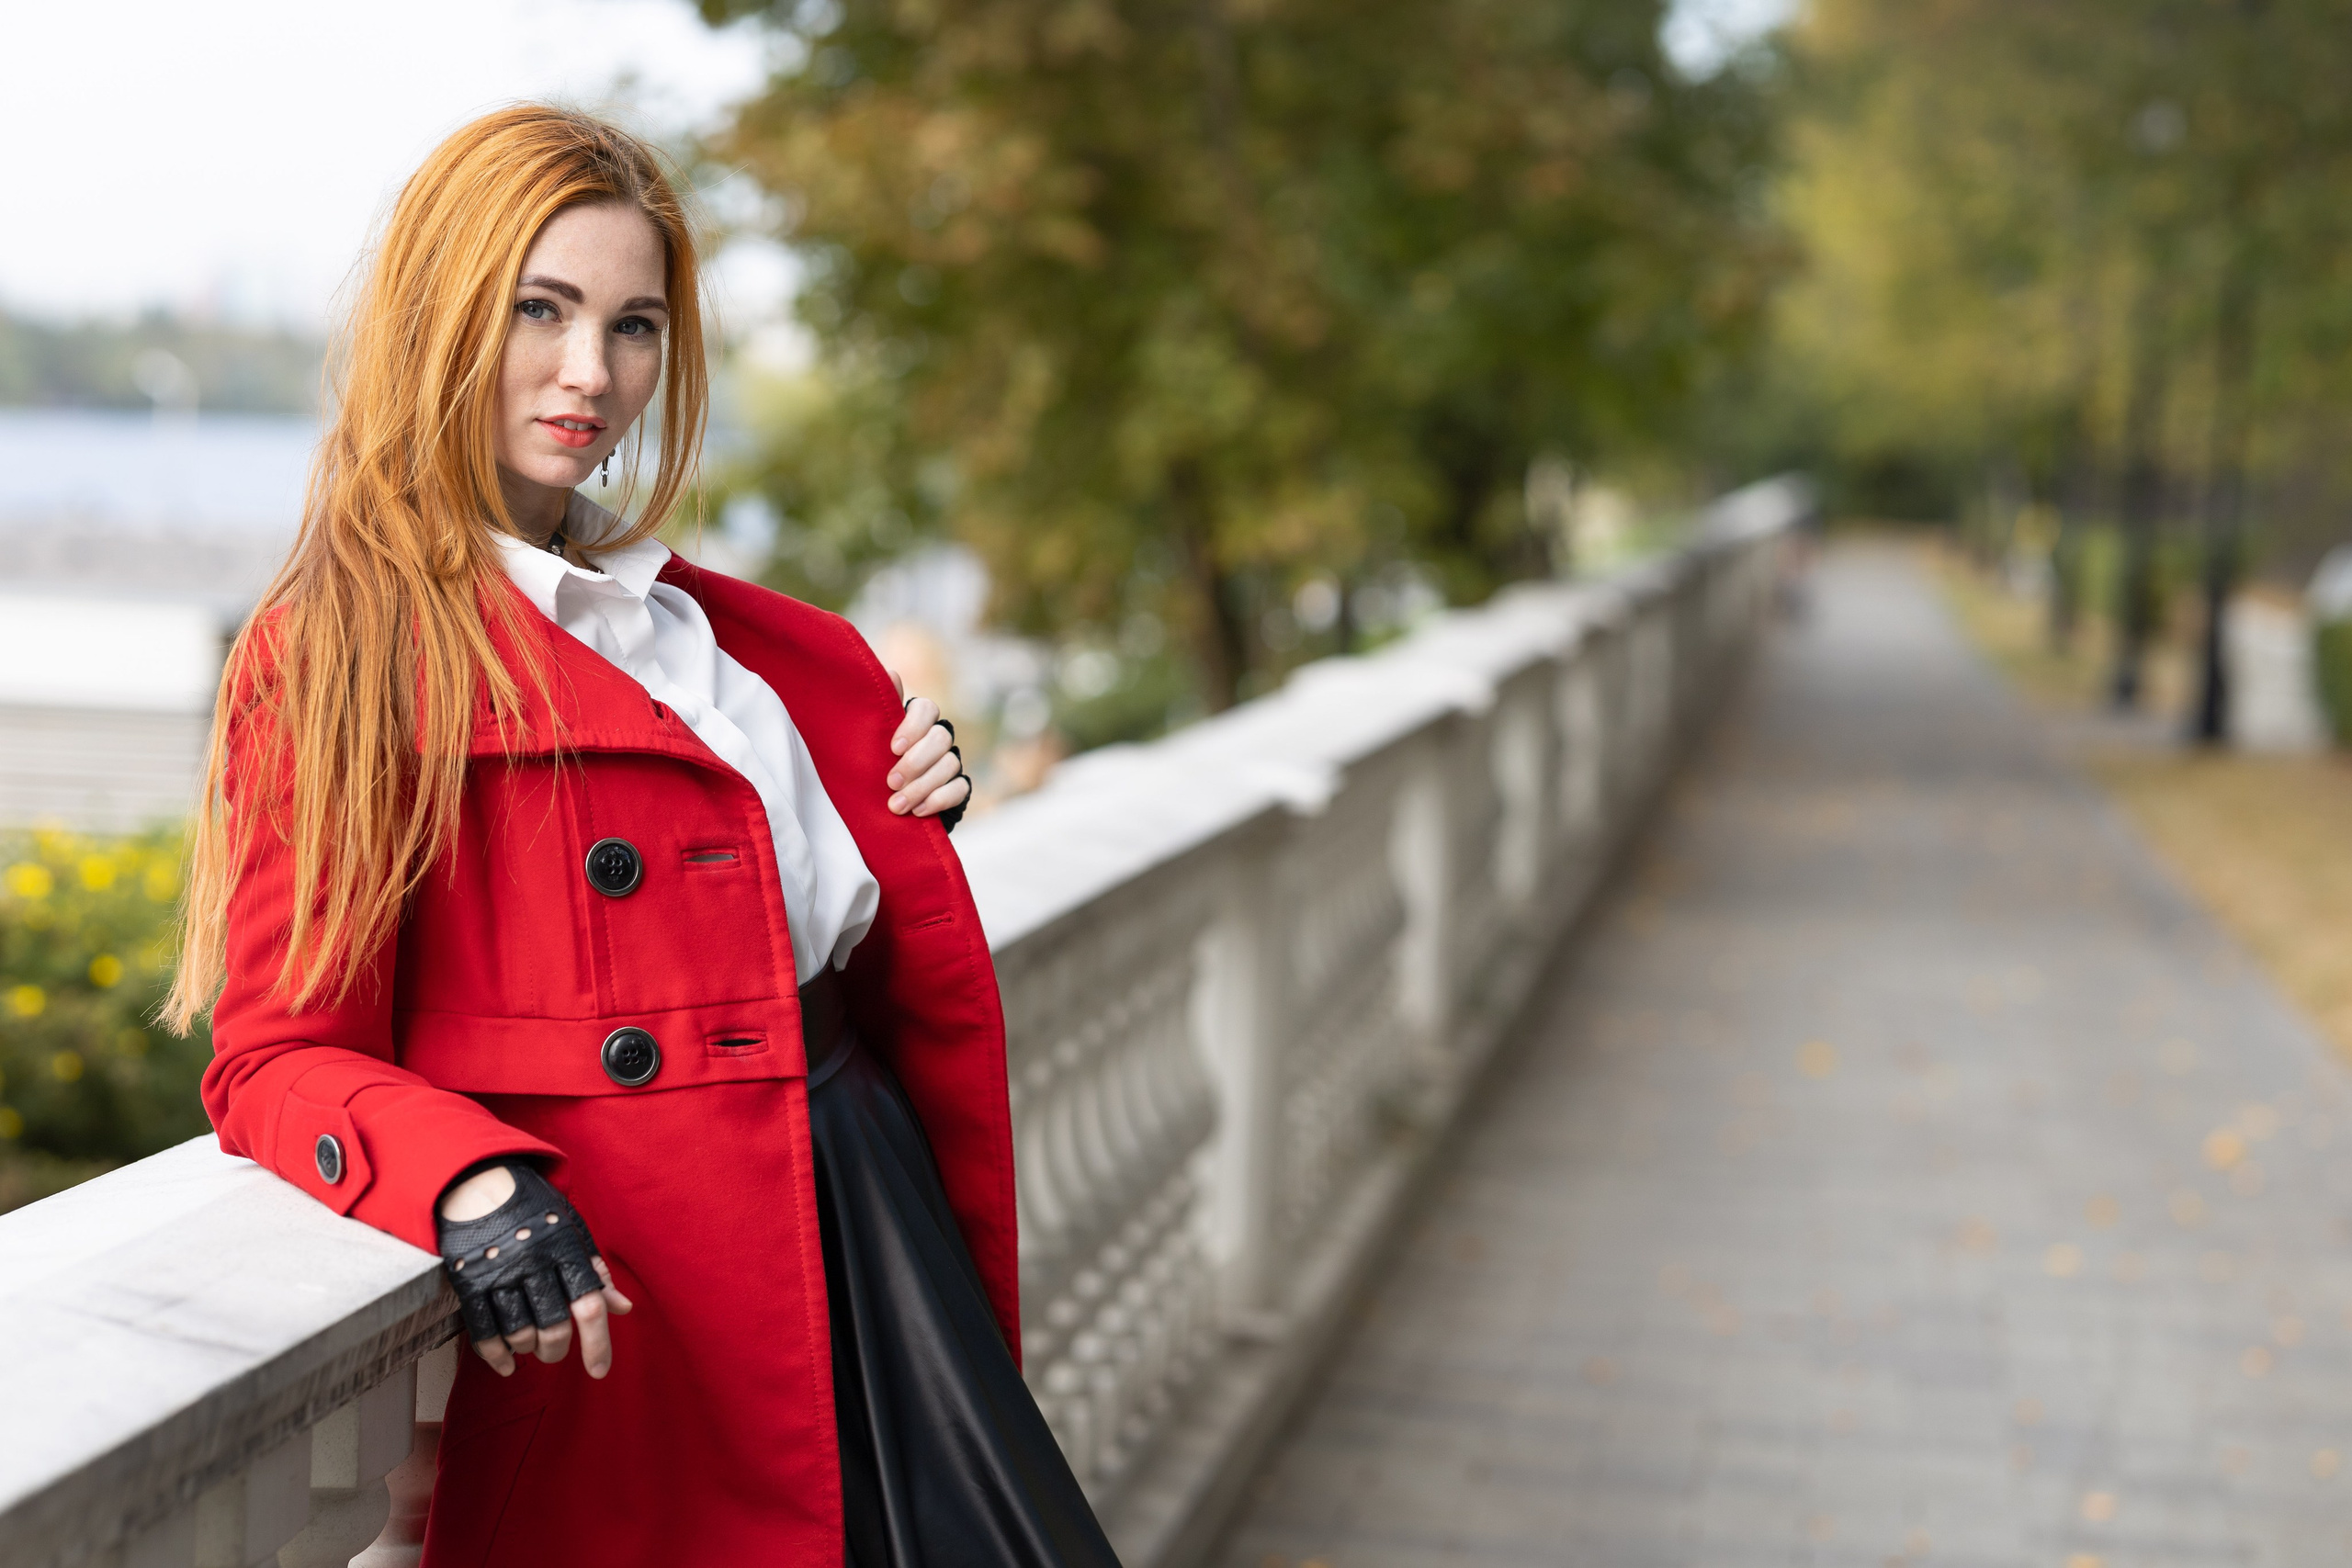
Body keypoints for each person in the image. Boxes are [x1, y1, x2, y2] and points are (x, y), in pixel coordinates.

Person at [168, 106, 1121, 1568]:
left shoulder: (729, 642)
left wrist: (881, 811)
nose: (589, 374)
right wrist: (467, 1178)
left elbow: (795, 927)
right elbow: (276, 1051)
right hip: (646, 1329)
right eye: (537, 311)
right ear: (440, 316)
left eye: (634, 326)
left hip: (863, 1244)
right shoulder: (341, 656)